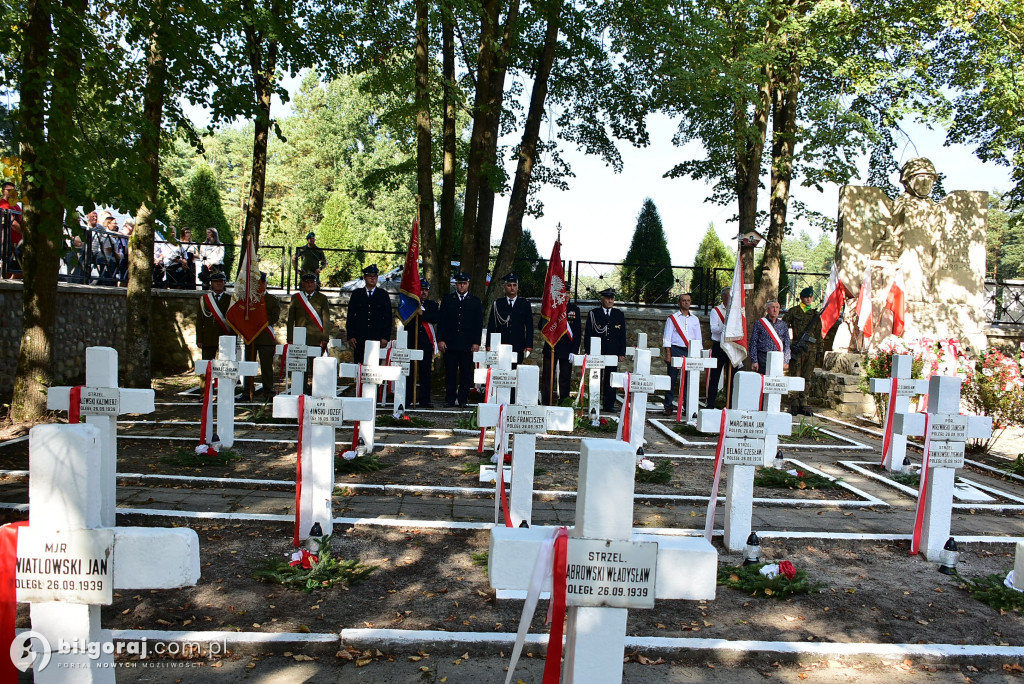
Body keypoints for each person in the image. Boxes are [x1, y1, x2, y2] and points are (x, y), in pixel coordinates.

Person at [438, 271, 483, 408]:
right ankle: (450, 399)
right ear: (456, 284)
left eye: (464, 283)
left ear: (468, 284)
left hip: (467, 344)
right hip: (450, 343)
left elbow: (478, 324)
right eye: (459, 283)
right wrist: (441, 339)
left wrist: (476, 342)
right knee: (450, 372)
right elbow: (442, 322)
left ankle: (463, 399)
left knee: (465, 373)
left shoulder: (475, 302)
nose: (462, 286)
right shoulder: (447, 299)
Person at [583, 288, 626, 413]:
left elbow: (622, 335)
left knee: (610, 378)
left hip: (612, 352)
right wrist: (588, 351)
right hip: (597, 351)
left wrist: (621, 353)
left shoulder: (619, 314)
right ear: (602, 299)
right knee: (596, 377)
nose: (610, 300)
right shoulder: (594, 313)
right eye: (607, 298)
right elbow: (588, 334)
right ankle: (594, 402)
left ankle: (609, 404)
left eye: (612, 298)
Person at [288, 273, 332, 392]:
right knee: (300, 364)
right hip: (299, 337)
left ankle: (315, 388)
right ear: (302, 284)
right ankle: (301, 387)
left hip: (316, 337)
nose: (309, 285)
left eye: (312, 282)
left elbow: (326, 320)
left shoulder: (322, 298)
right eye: (307, 282)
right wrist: (290, 338)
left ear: (316, 284)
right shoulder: (296, 298)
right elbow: (290, 319)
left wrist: (325, 338)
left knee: (315, 365)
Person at [662, 292, 703, 416]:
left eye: (688, 300)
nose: (686, 302)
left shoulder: (695, 319)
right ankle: (668, 406)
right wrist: (668, 353)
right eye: (684, 300)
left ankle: (687, 406)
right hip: (675, 349)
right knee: (672, 378)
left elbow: (698, 338)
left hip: (690, 350)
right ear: (679, 303)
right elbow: (667, 337)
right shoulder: (672, 318)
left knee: (688, 380)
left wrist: (698, 354)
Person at [783, 286, 822, 415]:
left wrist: (819, 351)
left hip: (811, 350)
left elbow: (818, 335)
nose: (809, 299)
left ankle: (804, 403)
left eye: (811, 297)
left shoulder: (815, 315)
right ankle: (794, 403)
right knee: (795, 375)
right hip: (797, 349)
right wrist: (789, 345)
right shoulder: (794, 312)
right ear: (801, 298)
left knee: (807, 377)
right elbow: (783, 329)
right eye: (806, 297)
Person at [346, 263, 393, 366]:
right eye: (370, 276)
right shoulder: (357, 294)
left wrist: (385, 337)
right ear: (364, 277)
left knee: (374, 368)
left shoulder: (383, 295)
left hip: (376, 337)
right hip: (360, 337)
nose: (372, 279)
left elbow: (388, 318)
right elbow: (350, 316)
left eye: (375, 276)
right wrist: (351, 335)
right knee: (359, 366)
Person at [540, 294, 581, 406]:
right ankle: (546, 401)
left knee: (565, 377)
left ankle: (563, 402)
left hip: (567, 349)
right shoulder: (551, 306)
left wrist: (574, 350)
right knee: (547, 376)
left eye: (568, 292)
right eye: (563, 292)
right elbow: (541, 326)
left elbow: (577, 332)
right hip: (551, 346)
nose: (566, 295)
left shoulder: (574, 309)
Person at [406, 278, 441, 408]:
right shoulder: (410, 304)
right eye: (422, 289)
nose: (424, 292)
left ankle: (425, 399)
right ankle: (409, 398)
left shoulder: (432, 305)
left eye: (426, 290)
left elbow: (435, 318)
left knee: (425, 373)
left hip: (426, 344)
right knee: (410, 373)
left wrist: (422, 313)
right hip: (412, 343)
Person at [246, 272, 280, 401]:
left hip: (265, 337)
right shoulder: (248, 299)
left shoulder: (272, 299)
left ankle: (268, 391)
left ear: (266, 284)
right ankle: (247, 390)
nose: (260, 286)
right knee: (249, 366)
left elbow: (274, 317)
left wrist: (259, 321)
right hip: (251, 337)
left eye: (262, 283)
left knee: (266, 367)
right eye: (257, 284)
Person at [487, 272, 534, 364]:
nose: (512, 288)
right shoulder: (498, 303)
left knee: (515, 373)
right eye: (509, 285)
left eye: (514, 285)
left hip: (518, 345)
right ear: (505, 286)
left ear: (517, 286)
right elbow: (491, 325)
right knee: (501, 373)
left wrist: (529, 344)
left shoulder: (524, 304)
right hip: (501, 344)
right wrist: (489, 344)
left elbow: (529, 326)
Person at [196, 271, 232, 361]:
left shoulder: (231, 299)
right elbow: (200, 320)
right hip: (209, 337)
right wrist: (199, 339)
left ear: (224, 283)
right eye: (216, 281)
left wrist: (233, 337)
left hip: (225, 335)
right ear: (211, 283)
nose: (219, 283)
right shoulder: (204, 299)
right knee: (207, 364)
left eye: (221, 281)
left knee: (226, 365)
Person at [706, 286, 732, 408]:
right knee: (715, 375)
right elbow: (713, 329)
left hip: (731, 345)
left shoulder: (735, 311)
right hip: (719, 346)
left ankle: (730, 403)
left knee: (732, 376)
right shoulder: (716, 311)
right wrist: (726, 329)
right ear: (723, 297)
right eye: (729, 295)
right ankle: (711, 403)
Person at [749, 299, 790, 374]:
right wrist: (754, 360)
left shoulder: (783, 325)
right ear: (767, 310)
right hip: (763, 356)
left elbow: (787, 343)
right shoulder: (759, 323)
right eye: (773, 307)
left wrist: (786, 361)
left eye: (777, 307)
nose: (775, 310)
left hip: (777, 357)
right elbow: (753, 342)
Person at [0, 181, 22, 275]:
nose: (11, 193)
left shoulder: (16, 206)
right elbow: (13, 223)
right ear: (2, 191)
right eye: (9, 190)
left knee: (17, 269)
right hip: (7, 242)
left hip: (17, 243)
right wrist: (27, 233)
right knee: (8, 269)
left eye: (13, 191)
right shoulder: (2, 204)